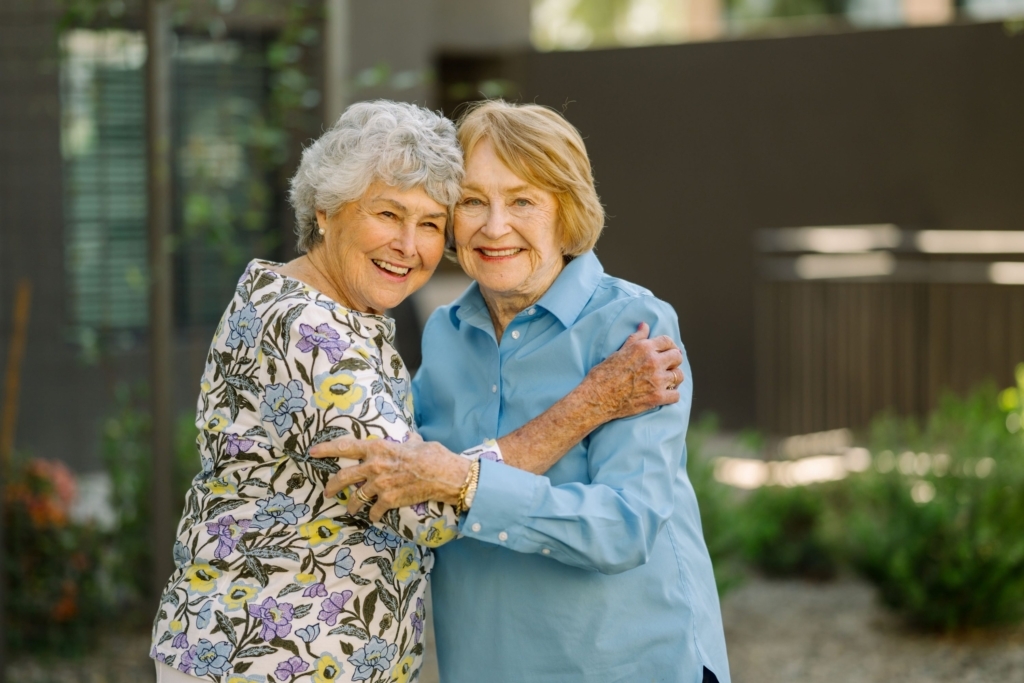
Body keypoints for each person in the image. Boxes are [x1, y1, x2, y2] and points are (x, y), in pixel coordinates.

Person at [150, 100, 684, 683]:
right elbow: (424, 503)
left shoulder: (630, 329)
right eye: (389, 213)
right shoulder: (314, 330)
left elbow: (621, 525)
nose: (409, 244)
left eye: (430, 222)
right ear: (326, 211)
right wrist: (586, 407)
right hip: (272, 657)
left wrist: (454, 478)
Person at [314, 100, 730, 683]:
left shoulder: (631, 328)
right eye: (472, 202)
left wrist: (469, 484)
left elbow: (624, 527)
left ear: (567, 213)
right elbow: (409, 486)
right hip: (483, 664)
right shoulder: (446, 333)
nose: (494, 227)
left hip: (623, 665)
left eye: (522, 201)